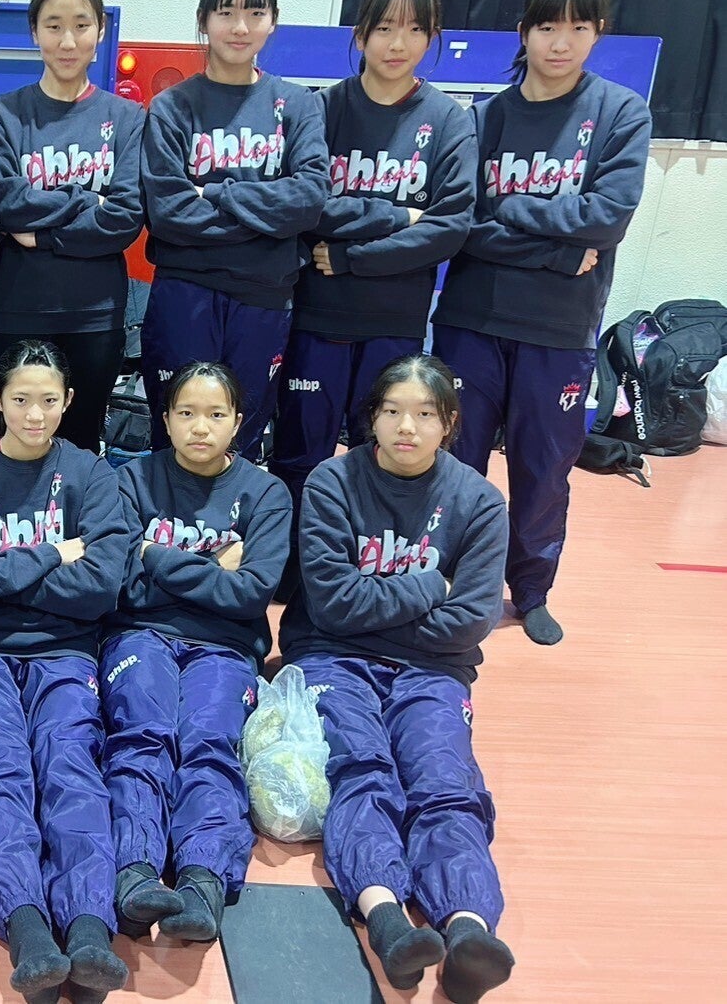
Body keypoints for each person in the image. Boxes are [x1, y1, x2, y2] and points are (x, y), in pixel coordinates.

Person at [279, 353, 514, 1002]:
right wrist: (429, 586)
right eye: (391, 411)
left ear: (450, 424)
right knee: (361, 767)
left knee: (443, 779)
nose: (406, 427)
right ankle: (384, 915)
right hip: (331, 655)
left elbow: (470, 621)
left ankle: (467, 929)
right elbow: (331, 605)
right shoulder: (332, 482)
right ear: (371, 418)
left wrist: (375, 608)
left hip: (433, 669)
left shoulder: (478, 502)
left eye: (424, 414)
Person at [430, 0, 651, 646]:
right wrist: (557, 248)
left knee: (543, 470)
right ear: (524, 31)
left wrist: (512, 211)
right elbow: (462, 223)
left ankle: (530, 590)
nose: (561, 42)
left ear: (597, 32)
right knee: (455, 463)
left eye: (578, 27)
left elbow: (607, 217)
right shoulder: (484, 118)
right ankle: (451, 579)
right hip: (471, 321)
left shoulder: (620, 113)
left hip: (559, 330)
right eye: (548, 26)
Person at [0, 340, 132, 1004]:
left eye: (49, 400)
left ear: (69, 401)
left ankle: (88, 930)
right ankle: (27, 931)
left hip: (66, 650)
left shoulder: (90, 473)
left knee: (69, 766)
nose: (35, 414)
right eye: (20, 399)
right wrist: (49, 555)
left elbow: (100, 586)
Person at [272, 0, 476, 596]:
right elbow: (306, 204)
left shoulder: (449, 121)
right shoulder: (320, 108)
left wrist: (352, 257)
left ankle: (366, 568)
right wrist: (397, 215)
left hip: (394, 324)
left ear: (432, 38)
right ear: (360, 34)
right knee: (299, 453)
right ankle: (295, 569)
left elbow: (448, 227)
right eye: (385, 28)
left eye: (414, 30)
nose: (397, 43)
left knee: (385, 453)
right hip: (317, 318)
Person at [102, 361, 291, 941]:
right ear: (165, 419)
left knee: (209, 740)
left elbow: (251, 594)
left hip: (225, 644)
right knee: (143, 730)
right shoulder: (131, 480)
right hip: (139, 632)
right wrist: (212, 567)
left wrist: (154, 557)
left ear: (238, 421)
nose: (200, 427)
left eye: (215, 414)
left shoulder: (266, 493)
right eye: (186, 413)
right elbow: (122, 585)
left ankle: (202, 878)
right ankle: (134, 870)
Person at [140, 0, 327, 459]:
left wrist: (215, 193)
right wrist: (267, 220)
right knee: (176, 433)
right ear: (204, 19)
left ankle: (236, 514)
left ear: (274, 20)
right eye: (226, 13)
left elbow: (309, 200)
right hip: (185, 295)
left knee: (241, 436)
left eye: (255, 13)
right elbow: (168, 211)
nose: (240, 27)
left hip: (264, 297)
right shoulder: (173, 107)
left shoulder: (298, 105)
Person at [0, 0, 146, 450]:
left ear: (100, 30)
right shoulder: (1, 115)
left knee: (81, 443)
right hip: (16, 309)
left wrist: (43, 233)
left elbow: (125, 216)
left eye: (81, 25)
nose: (68, 41)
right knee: (13, 444)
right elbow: (7, 203)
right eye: (54, 25)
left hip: (95, 315)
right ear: (34, 31)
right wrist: (87, 199)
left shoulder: (127, 118)